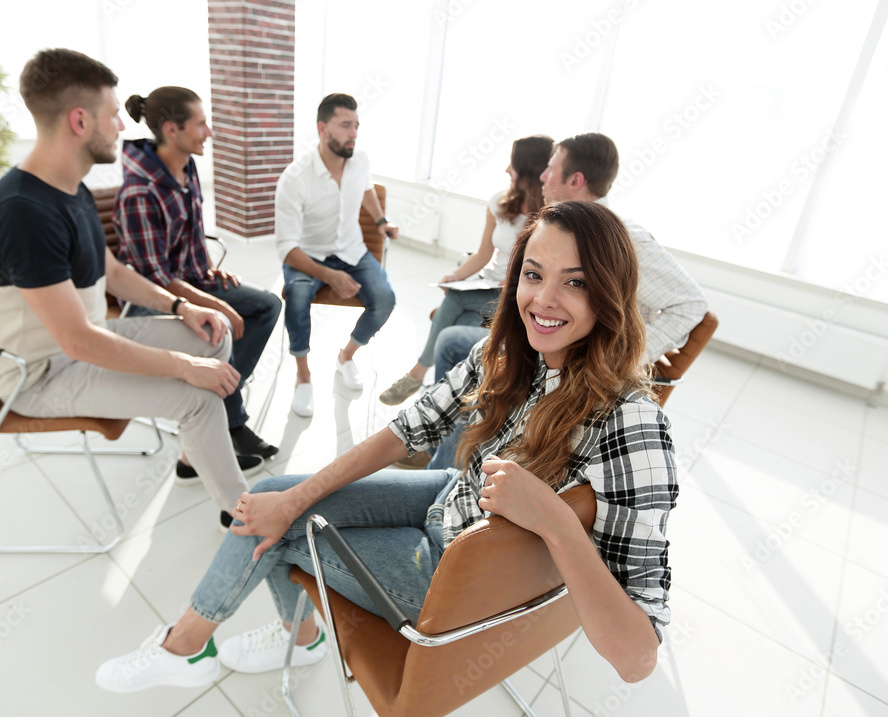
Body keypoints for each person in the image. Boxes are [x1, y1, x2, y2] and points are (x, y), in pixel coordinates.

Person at [95, 200, 677, 692]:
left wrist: (556, 522)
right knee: (278, 493)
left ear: (611, 294)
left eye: (574, 282)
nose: (544, 300)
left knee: (279, 527)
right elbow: (406, 431)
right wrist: (299, 496)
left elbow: (637, 659)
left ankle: (186, 649)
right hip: (453, 498)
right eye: (533, 274)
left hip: (460, 580)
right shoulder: (504, 354)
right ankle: (294, 637)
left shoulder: (634, 426)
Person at [0, 49, 247, 530]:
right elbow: (76, 341)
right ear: (80, 121)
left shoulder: (69, 189)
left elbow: (113, 273)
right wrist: (186, 369)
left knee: (214, 333)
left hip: (85, 342)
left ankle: (197, 449)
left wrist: (180, 306)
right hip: (38, 375)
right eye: (113, 114)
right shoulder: (22, 212)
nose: (122, 125)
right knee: (198, 396)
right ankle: (246, 515)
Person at [419, 131, 710, 471]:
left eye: (551, 169)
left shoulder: (622, 237)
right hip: (549, 344)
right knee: (461, 328)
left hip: (570, 357)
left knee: (454, 342)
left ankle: (447, 466)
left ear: (575, 179)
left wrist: (621, 360)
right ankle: (447, 448)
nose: (542, 176)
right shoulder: (562, 226)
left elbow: (691, 305)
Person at [114, 85, 283, 481]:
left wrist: (208, 272)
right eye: (201, 124)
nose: (209, 132)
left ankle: (218, 408)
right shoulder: (139, 192)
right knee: (219, 328)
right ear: (171, 129)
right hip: (151, 299)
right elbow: (153, 277)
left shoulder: (185, 166)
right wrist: (216, 305)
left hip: (190, 282)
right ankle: (223, 424)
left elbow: (190, 236)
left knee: (266, 305)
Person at [378, 134, 554, 406]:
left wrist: (509, 285)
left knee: (455, 301)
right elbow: (484, 253)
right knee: (459, 313)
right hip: (487, 286)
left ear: (530, 170)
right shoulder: (499, 202)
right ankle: (446, 399)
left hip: (515, 295)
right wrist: (456, 276)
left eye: (513, 164)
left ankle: (419, 376)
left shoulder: (549, 217)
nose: (506, 170)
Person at [274, 93, 398, 417]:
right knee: (298, 296)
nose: (353, 133)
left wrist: (381, 220)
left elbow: (366, 188)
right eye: (345, 125)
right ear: (322, 129)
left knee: (385, 300)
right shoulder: (294, 178)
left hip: (352, 251)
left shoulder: (360, 160)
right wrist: (329, 276)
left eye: (356, 125)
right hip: (309, 255)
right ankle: (303, 375)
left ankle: (346, 356)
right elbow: (286, 248)